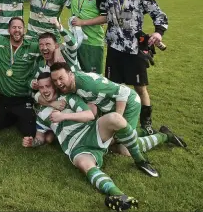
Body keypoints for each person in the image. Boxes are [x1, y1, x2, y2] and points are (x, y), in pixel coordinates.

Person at [24, 73, 153, 211]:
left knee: (116, 119)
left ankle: (144, 155)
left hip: (91, 132)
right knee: (84, 164)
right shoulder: (41, 113)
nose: (45, 90)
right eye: (41, 87)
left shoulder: (69, 99)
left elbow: (89, 115)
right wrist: (33, 142)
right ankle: (119, 196)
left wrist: (63, 116)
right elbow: (40, 138)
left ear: (54, 86)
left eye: (48, 86)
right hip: (76, 146)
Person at [81, 0, 169, 135]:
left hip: (135, 48)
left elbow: (159, 14)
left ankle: (146, 123)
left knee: (140, 88)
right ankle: (113, 121)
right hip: (114, 48)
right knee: (114, 88)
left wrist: (158, 32)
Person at [48, 62, 186, 155]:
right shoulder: (68, 86)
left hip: (129, 103)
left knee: (127, 149)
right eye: (55, 81)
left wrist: (117, 120)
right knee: (116, 143)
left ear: (71, 75)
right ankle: (144, 131)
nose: (58, 83)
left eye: (61, 78)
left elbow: (123, 92)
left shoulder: (90, 84)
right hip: (111, 109)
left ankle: (165, 136)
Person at [0, 7, 39, 139]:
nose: (17, 30)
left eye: (20, 27)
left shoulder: (33, 47)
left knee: (30, 132)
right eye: (14, 27)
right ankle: (10, 116)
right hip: (2, 97)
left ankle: (15, 115)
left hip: (22, 98)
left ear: (24, 30)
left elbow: (50, 48)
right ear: (9, 30)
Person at [66, 0, 106, 73]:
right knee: (76, 76)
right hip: (75, 43)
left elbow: (105, 18)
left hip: (93, 43)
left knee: (94, 79)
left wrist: (82, 22)